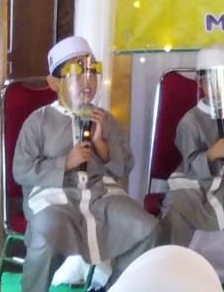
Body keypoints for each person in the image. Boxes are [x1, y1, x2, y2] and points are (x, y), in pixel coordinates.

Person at [12, 36, 159, 292]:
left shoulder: (105, 119)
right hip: (54, 197)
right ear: (54, 82)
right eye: (76, 73)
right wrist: (65, 162)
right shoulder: (39, 121)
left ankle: (112, 287)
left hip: (101, 196)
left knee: (147, 229)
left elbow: (125, 168)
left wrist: (103, 146)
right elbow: (21, 170)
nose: (87, 81)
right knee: (46, 230)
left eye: (92, 72)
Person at [161, 43, 224, 291]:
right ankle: (171, 279)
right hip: (193, 183)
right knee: (174, 213)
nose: (219, 88)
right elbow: (189, 161)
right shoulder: (190, 120)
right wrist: (209, 155)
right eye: (212, 81)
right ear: (201, 83)